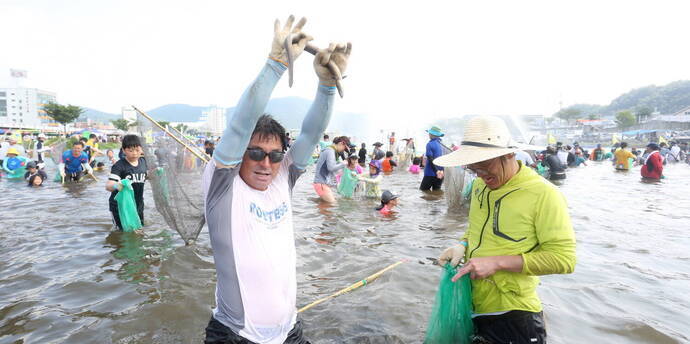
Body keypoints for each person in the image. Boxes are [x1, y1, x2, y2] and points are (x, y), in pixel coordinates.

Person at [201, 16, 350, 344]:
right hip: (236, 335)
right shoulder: (222, 187)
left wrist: (326, 86)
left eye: (275, 154)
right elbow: (241, 124)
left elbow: (311, 133)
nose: (266, 163)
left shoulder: (283, 178)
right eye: (255, 153)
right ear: (240, 153)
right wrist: (276, 64)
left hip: (290, 332)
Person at [435, 116, 576, 344]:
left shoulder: (544, 194)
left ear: (509, 154)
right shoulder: (481, 185)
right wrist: (462, 244)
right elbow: (477, 228)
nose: (480, 174)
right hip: (474, 302)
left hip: (515, 313)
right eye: (474, 168)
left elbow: (564, 259)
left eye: (485, 165)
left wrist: (496, 262)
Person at [105, 135, 148, 230]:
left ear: (141, 149)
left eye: (137, 150)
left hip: (138, 204)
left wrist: (157, 173)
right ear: (124, 150)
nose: (135, 153)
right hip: (120, 206)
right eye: (131, 150)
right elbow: (108, 186)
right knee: (121, 232)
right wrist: (119, 185)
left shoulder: (144, 162)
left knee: (139, 230)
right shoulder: (119, 166)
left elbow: (147, 176)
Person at [313, 136, 350, 203]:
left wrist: (336, 184)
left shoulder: (330, 150)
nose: (343, 151)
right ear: (341, 143)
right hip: (321, 183)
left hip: (321, 183)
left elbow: (331, 168)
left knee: (324, 206)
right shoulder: (330, 151)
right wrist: (343, 164)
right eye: (344, 148)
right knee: (332, 205)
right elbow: (331, 168)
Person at [420, 125, 445, 191]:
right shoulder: (442, 144)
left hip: (430, 173)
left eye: (429, 133)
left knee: (423, 191)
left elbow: (431, 159)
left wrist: (436, 171)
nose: (429, 134)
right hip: (441, 173)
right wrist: (440, 171)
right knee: (437, 193)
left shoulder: (430, 144)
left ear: (432, 134)